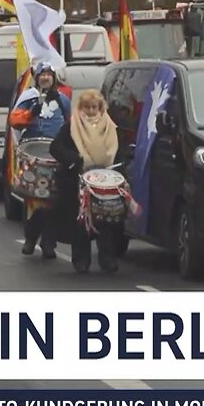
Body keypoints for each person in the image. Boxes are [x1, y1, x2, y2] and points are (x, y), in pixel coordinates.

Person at [51, 89, 125, 273]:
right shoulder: (71, 127)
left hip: (106, 181)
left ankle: (107, 259)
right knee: (81, 222)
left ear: (101, 108)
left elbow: (119, 148)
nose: (91, 111)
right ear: (80, 108)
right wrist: (74, 159)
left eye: (94, 107)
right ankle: (81, 260)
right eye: (87, 107)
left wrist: (122, 164)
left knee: (108, 221)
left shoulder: (110, 126)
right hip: (78, 182)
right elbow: (56, 147)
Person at [9, 62, 72, 259]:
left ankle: (48, 243)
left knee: (53, 201)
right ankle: (30, 238)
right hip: (32, 156)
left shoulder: (63, 100)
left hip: (55, 155)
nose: (45, 78)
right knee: (35, 201)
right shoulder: (28, 97)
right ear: (36, 78)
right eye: (42, 74)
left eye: (48, 74)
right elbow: (15, 121)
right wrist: (32, 112)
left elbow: (70, 123)